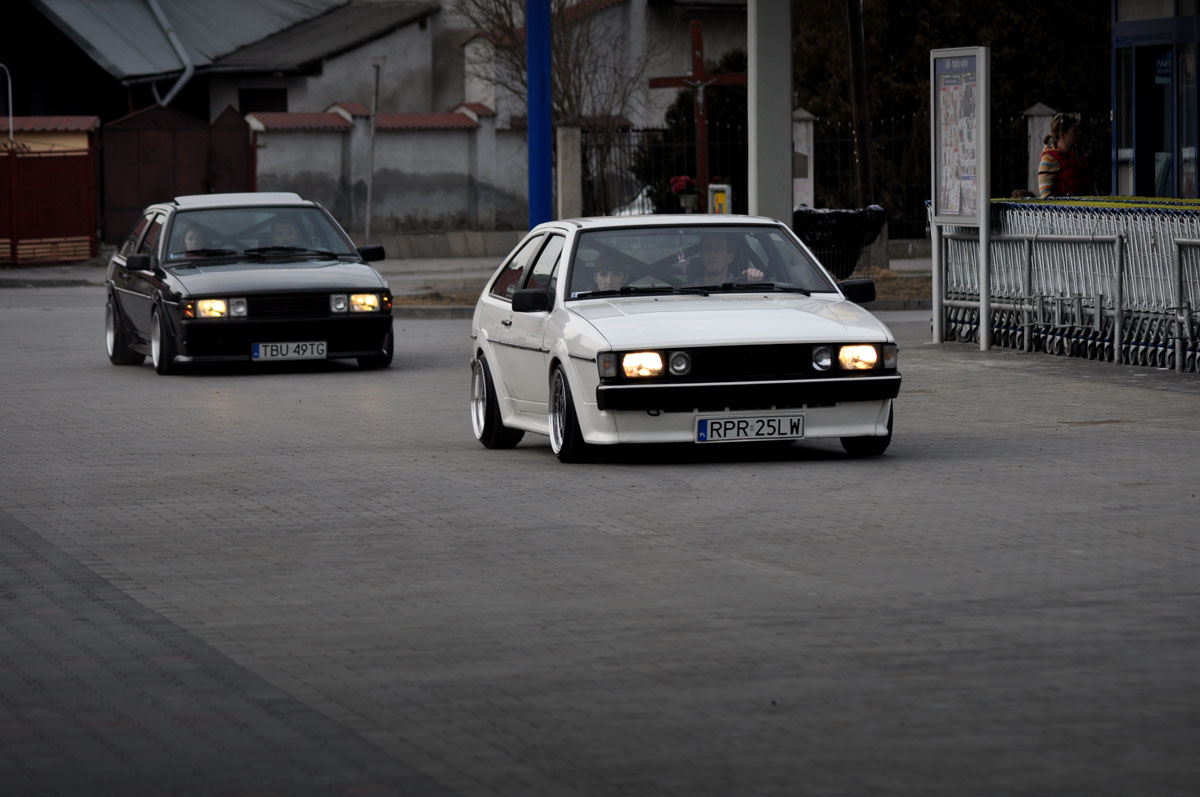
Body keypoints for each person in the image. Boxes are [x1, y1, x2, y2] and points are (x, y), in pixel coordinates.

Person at [1038, 112, 1095, 198]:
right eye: (1074, 131)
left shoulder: (1079, 153)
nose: (1078, 133)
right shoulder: (1049, 159)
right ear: (1063, 135)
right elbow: (1046, 195)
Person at [689, 230, 765, 284]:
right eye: (707, 249)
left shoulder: (743, 288)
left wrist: (755, 282)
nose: (711, 254)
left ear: (730, 257)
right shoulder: (686, 290)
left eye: (718, 249)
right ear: (701, 255)